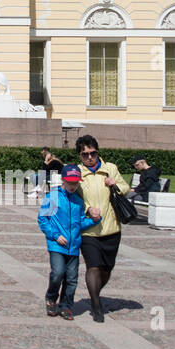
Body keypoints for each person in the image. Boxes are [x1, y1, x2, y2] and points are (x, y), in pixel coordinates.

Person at [74, 134, 127, 323]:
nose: (89, 157)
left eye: (92, 153)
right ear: (79, 156)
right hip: (89, 230)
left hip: (112, 228)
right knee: (93, 266)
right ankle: (96, 306)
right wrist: (88, 209)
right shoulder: (77, 173)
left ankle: (95, 292)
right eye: (85, 154)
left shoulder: (110, 168)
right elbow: (72, 197)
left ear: (97, 152)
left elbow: (125, 187)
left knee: (107, 268)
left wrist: (116, 184)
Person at [37, 165, 100, 320]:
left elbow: (80, 223)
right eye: (70, 182)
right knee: (58, 273)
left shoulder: (78, 202)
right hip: (57, 245)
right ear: (63, 181)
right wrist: (55, 235)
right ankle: (51, 298)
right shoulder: (53, 197)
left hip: (73, 246)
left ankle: (66, 305)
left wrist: (95, 220)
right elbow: (43, 219)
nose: (73, 186)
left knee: (72, 279)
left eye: (75, 183)